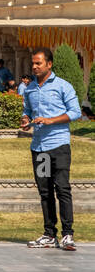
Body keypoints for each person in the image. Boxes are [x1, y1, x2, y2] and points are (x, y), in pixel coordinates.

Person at [20, 46, 84, 250]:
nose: (35, 66)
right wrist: (25, 119)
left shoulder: (63, 86)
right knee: (44, 191)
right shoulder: (29, 88)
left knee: (62, 189)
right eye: (33, 63)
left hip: (59, 145)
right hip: (39, 148)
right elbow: (27, 110)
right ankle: (49, 234)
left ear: (49, 64)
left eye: (39, 63)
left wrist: (51, 121)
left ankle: (67, 234)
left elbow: (75, 112)